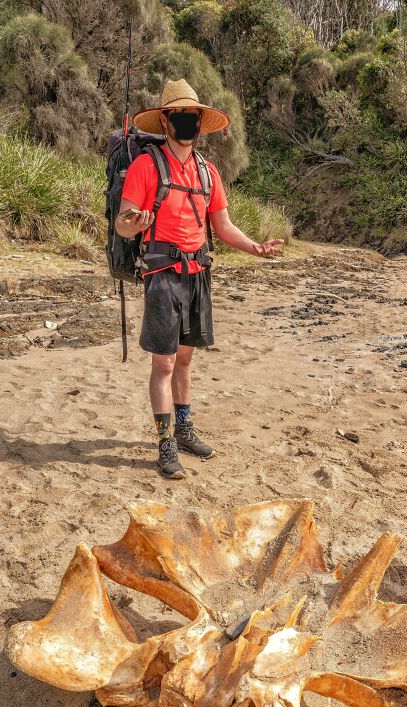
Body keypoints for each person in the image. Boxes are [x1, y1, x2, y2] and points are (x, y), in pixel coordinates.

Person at [116, 79, 284, 480]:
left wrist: (255, 247)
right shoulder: (146, 165)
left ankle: (185, 428)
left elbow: (222, 224)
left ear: (199, 121)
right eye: (179, 116)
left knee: (187, 358)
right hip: (162, 274)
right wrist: (133, 223)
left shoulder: (208, 172)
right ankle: (165, 442)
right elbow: (123, 223)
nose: (186, 122)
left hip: (198, 273)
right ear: (166, 122)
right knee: (165, 362)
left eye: (192, 116)